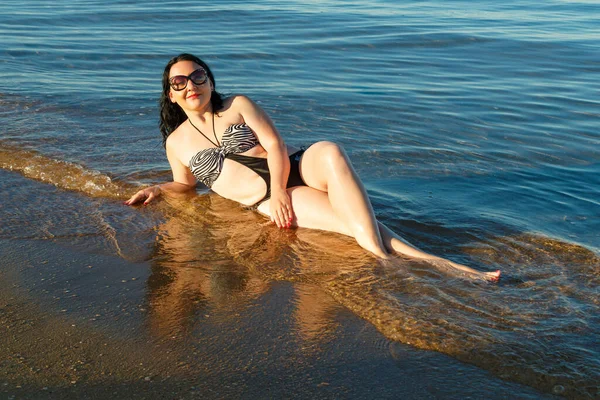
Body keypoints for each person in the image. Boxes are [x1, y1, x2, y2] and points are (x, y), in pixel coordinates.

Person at [125, 53, 500, 282]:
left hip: (293, 169)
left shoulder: (237, 104)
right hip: (273, 196)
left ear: (209, 80)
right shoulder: (176, 142)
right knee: (355, 222)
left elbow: (274, 144)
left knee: (332, 150)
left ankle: (397, 261)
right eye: (180, 81)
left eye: (198, 76)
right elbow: (186, 185)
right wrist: (158, 189)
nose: (191, 84)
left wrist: (278, 192)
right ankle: (438, 264)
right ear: (171, 94)